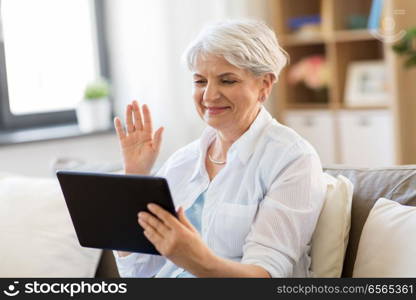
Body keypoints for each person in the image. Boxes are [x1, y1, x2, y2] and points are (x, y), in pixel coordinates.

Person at [112, 20, 326, 278]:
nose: (209, 96)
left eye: (227, 81)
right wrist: (134, 179)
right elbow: (136, 272)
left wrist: (195, 259)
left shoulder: (292, 159)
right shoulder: (184, 160)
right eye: (200, 81)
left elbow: (265, 276)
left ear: (264, 85)